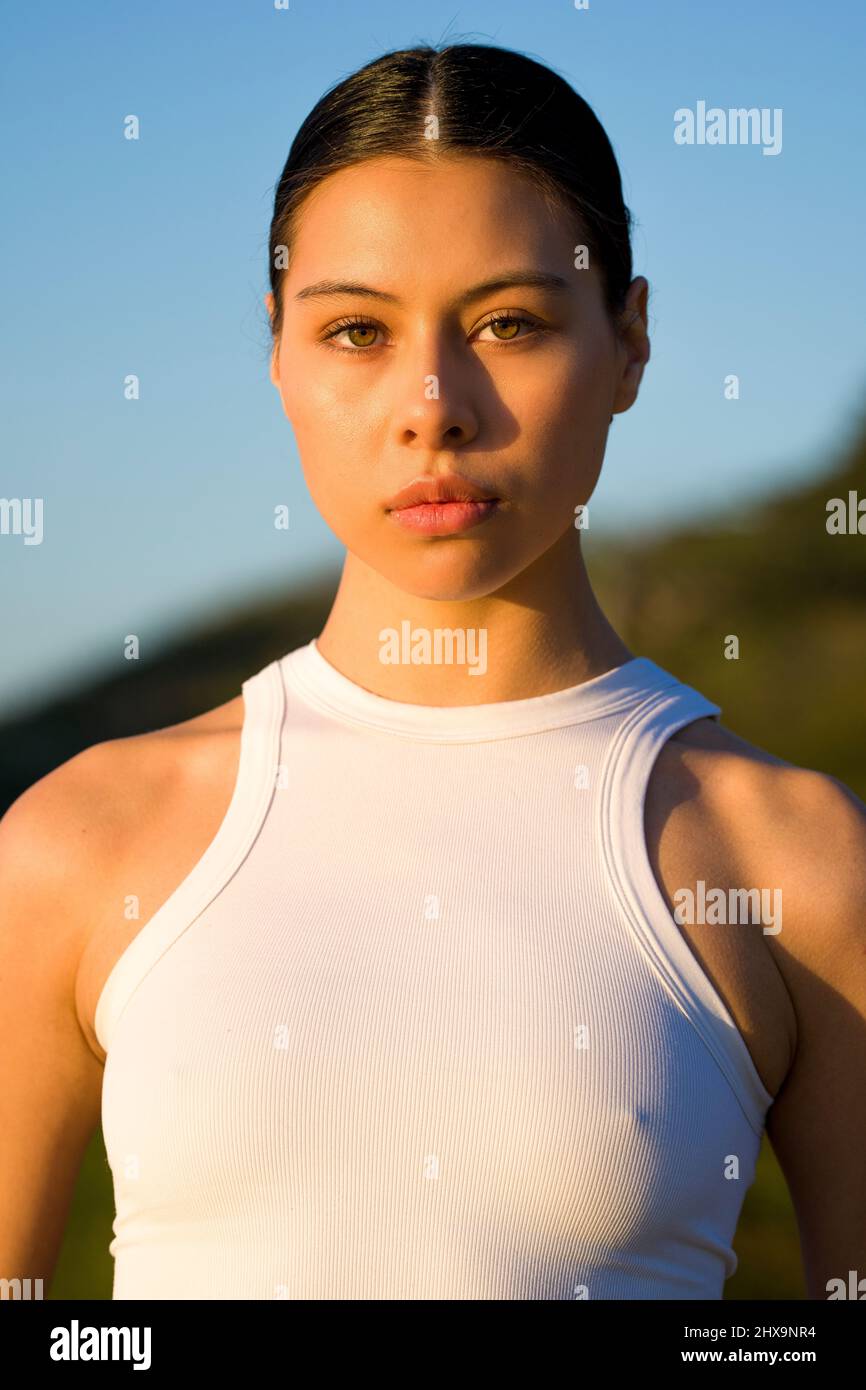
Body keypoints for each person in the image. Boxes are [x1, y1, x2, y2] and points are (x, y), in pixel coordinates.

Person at [1, 42, 864, 1302]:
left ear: (627, 342)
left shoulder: (792, 861)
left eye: (508, 322)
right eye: (356, 329)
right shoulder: (82, 843)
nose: (431, 406)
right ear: (279, 356)